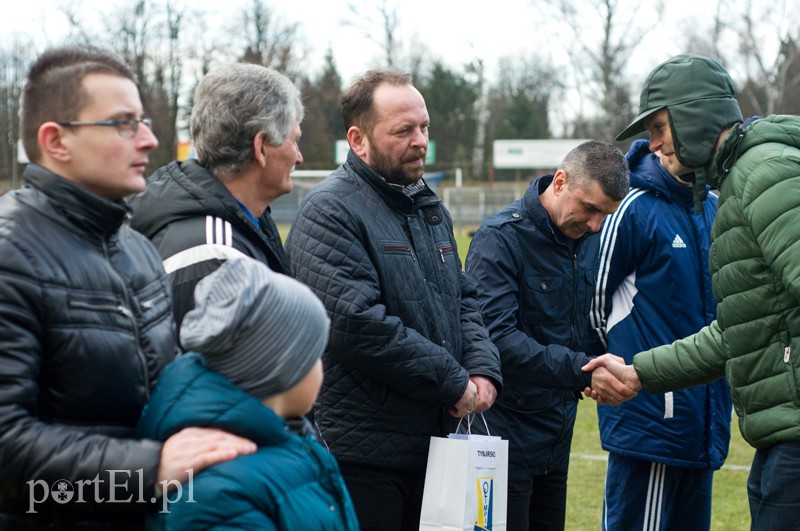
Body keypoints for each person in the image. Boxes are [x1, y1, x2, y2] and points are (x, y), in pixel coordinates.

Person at [0, 44, 255, 529]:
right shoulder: (10, 255)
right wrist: (148, 470)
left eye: (144, 121)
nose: (147, 141)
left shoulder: (136, 247)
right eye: (122, 123)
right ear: (56, 141)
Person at [583, 53, 800, 530]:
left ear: (696, 114)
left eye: (660, 125)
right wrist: (636, 372)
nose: (653, 142)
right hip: (754, 431)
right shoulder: (732, 185)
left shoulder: (763, 175)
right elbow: (737, 331)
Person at [284, 68, 503, 531]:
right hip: (363, 455)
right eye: (403, 130)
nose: (420, 140)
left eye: (423, 127)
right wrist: (452, 381)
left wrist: (482, 367)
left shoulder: (430, 208)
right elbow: (355, 322)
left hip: (437, 444)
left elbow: (463, 299)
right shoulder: (330, 210)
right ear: (358, 139)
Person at [464, 140, 632, 531]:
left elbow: (581, 326)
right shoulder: (499, 239)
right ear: (559, 182)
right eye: (589, 208)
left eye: (604, 216)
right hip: (503, 438)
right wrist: (583, 371)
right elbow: (495, 341)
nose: (594, 226)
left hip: (557, 436)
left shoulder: (588, 241)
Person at [137, 257, 360, 530]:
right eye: (314, 355)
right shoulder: (220, 493)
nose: (321, 365)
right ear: (282, 369)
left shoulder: (288, 439)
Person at [587, 138, 732, 530]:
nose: (660, 141)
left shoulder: (717, 208)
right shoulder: (632, 207)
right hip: (650, 414)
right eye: (654, 130)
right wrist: (622, 370)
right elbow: (594, 303)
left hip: (704, 414)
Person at [129, 62, 303, 329]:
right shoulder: (213, 256)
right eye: (294, 141)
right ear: (261, 148)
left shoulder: (238, 222)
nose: (299, 158)